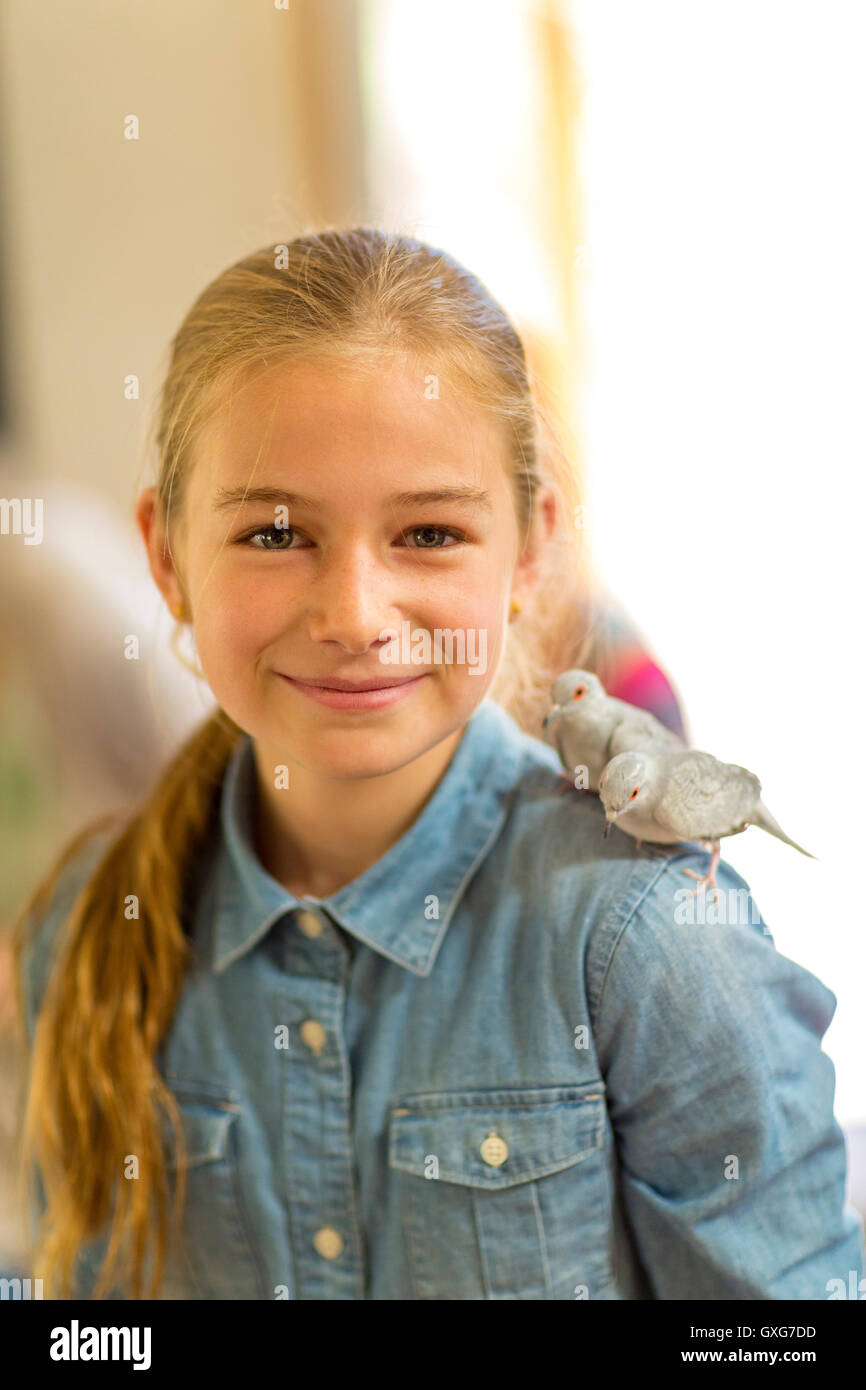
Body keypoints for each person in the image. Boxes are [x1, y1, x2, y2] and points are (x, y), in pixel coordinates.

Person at [12, 228, 862, 1300]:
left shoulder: (649, 944)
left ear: (532, 548)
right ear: (167, 558)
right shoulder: (86, 934)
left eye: (425, 533)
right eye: (276, 535)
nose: (355, 617)